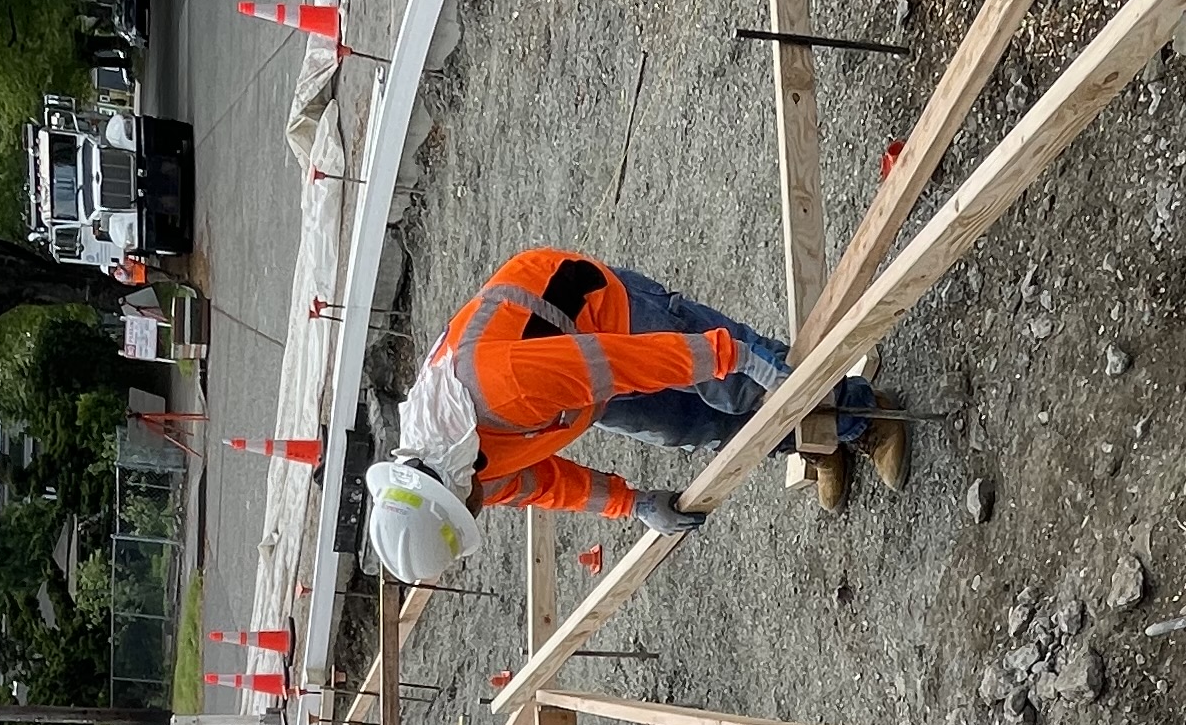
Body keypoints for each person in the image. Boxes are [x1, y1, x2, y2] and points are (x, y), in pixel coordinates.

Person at [361, 246, 898, 585]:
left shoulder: (502, 388)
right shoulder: (459, 467)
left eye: (463, 513)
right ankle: (819, 443)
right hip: (569, 386)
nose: (477, 512)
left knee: (737, 392)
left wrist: (735, 357)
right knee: (698, 429)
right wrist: (633, 504)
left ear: (445, 489)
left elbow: (620, 361)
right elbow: (543, 482)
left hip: (597, 314)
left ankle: (865, 417)